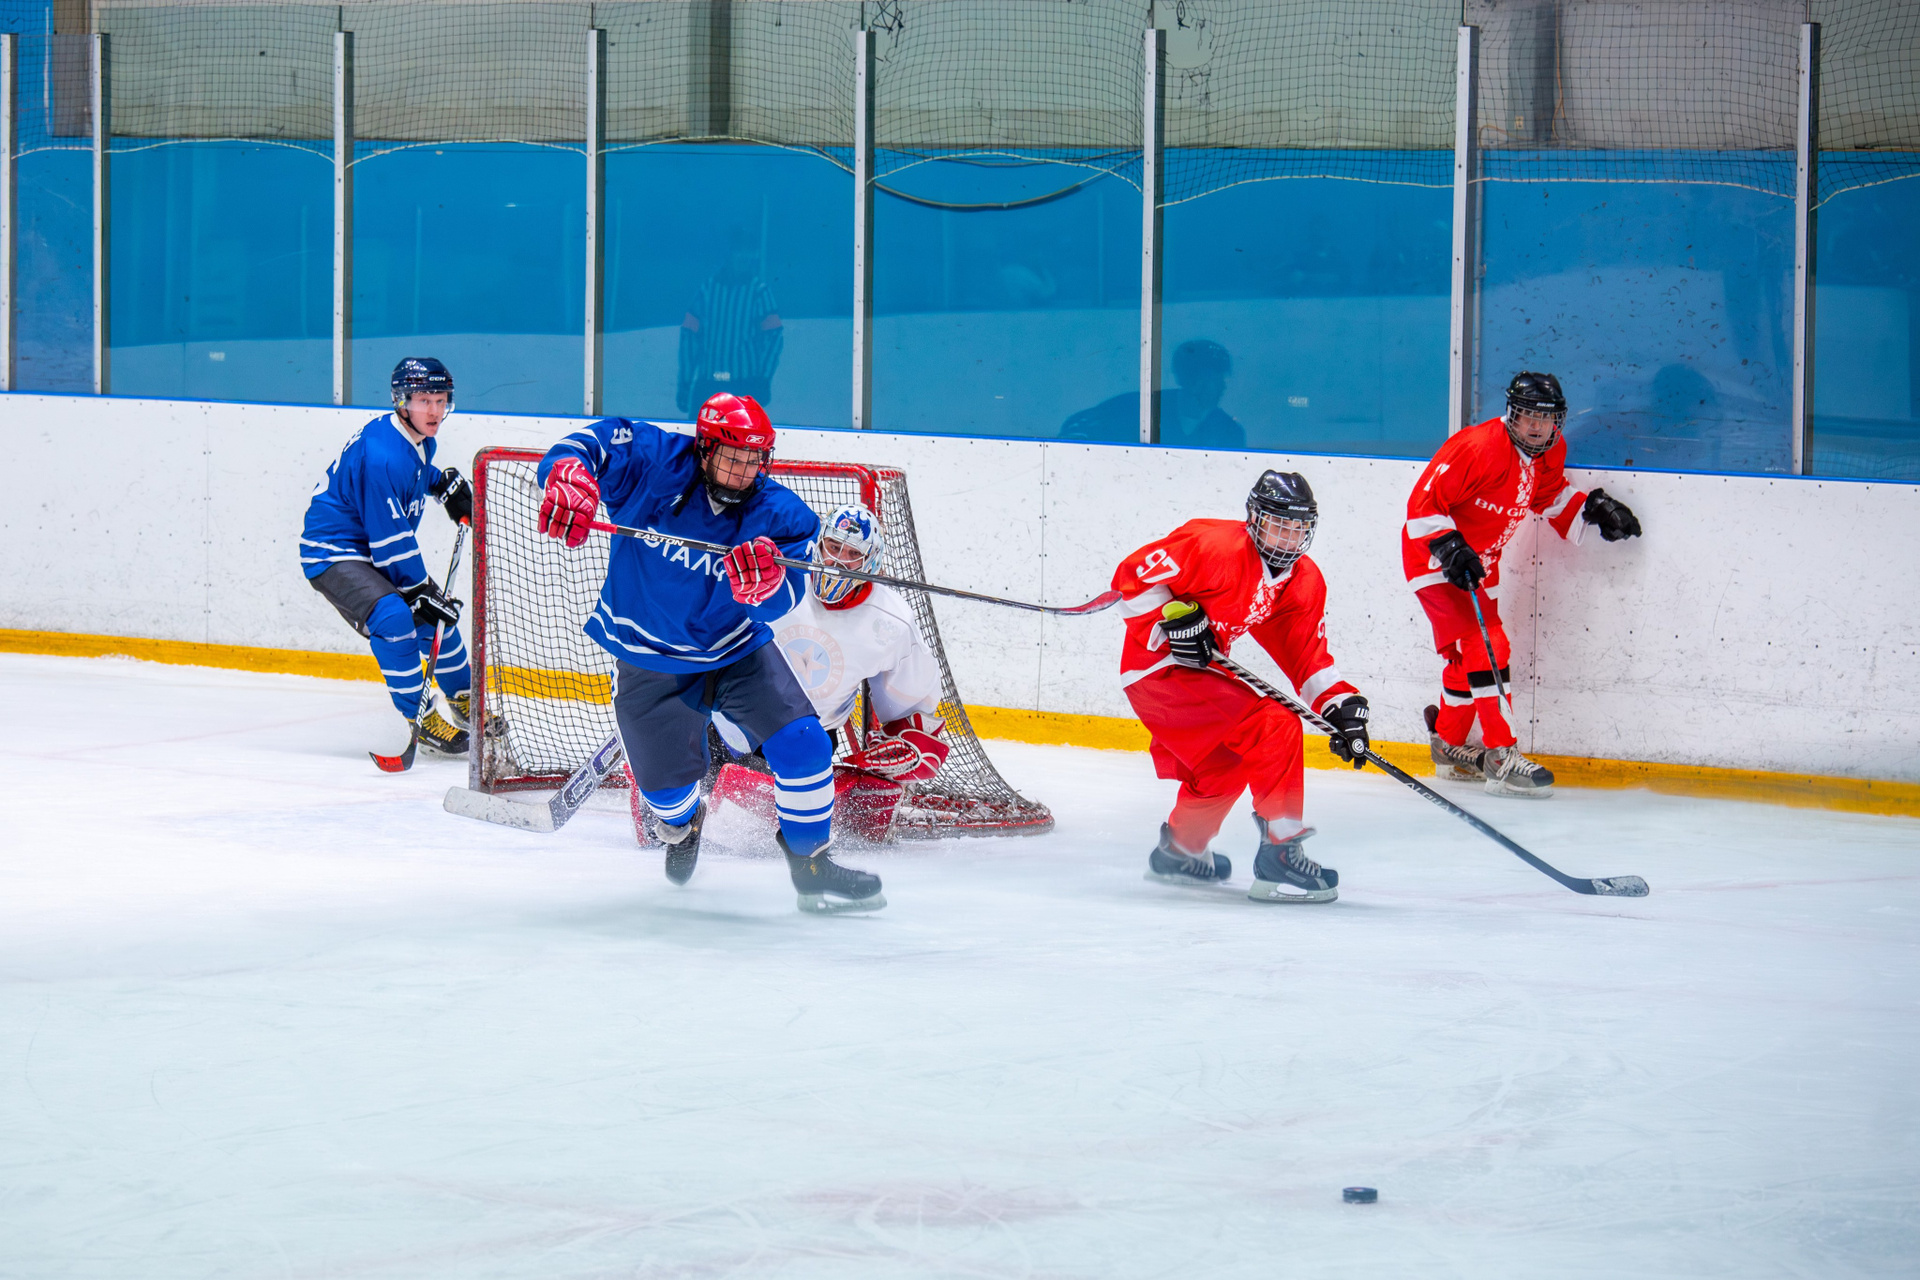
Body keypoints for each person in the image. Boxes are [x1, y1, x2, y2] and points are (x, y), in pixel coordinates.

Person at [534, 392, 885, 913]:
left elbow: (791, 596)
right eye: (733, 457)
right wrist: (567, 477)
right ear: (704, 448)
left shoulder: (783, 515)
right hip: (648, 659)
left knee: (806, 745)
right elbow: (583, 446)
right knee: (665, 799)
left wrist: (769, 585)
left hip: (735, 652)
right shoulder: (652, 460)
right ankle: (685, 824)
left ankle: (811, 864)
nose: (745, 472)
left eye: (755, 459)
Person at [1110, 471, 1371, 904]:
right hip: (1158, 670)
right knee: (1276, 725)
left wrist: (1340, 707)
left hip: (1204, 675)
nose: (1288, 538)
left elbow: (1307, 656)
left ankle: (1180, 850)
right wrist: (1170, 621)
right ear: (1254, 519)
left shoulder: (1302, 581)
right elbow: (1132, 577)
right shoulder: (1213, 546)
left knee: (1226, 765)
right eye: (1279, 525)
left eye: (1298, 528)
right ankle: (1282, 853)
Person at [1404, 371, 1643, 797]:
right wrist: (1450, 547)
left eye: (1546, 418)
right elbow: (1423, 505)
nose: (1536, 425)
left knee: (1468, 655)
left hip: (1483, 562)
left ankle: (1448, 744)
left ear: (1558, 421)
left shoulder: (1551, 451)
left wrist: (1592, 511)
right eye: (1529, 415)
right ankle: (1501, 753)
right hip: (1437, 557)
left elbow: (1547, 496)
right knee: (1488, 644)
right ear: (1512, 415)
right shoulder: (1476, 447)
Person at [705, 502, 951, 843]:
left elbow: (912, 708)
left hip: (810, 742)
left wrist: (911, 741)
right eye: (833, 546)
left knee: (766, 836)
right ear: (818, 543)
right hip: (726, 729)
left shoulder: (891, 621)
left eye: (853, 554)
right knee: (675, 819)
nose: (837, 561)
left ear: (872, 563)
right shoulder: (779, 577)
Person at [300, 357, 473, 756]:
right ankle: (420, 717)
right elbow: (390, 541)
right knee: (395, 615)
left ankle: (466, 700)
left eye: (441, 400)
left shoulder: (415, 439)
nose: (434, 411)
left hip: (370, 549)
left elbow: (412, 472)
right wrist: (418, 590)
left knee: (437, 617)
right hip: (333, 552)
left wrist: (439, 484)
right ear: (402, 402)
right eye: (424, 401)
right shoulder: (381, 454)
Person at [1059, 339, 1245, 449]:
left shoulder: (1229, 431)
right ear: (1187, 378)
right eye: (1214, 378)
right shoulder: (1136, 408)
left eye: (1223, 379)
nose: (1223, 386)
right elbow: (1076, 428)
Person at [676, 228, 784, 416]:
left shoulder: (759, 292)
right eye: (739, 250)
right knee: (701, 434)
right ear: (729, 253)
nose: (744, 256)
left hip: (744, 386)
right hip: (708, 385)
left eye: (749, 251)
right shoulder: (708, 290)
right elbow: (690, 337)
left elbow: (774, 338)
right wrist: (685, 382)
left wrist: (763, 379)